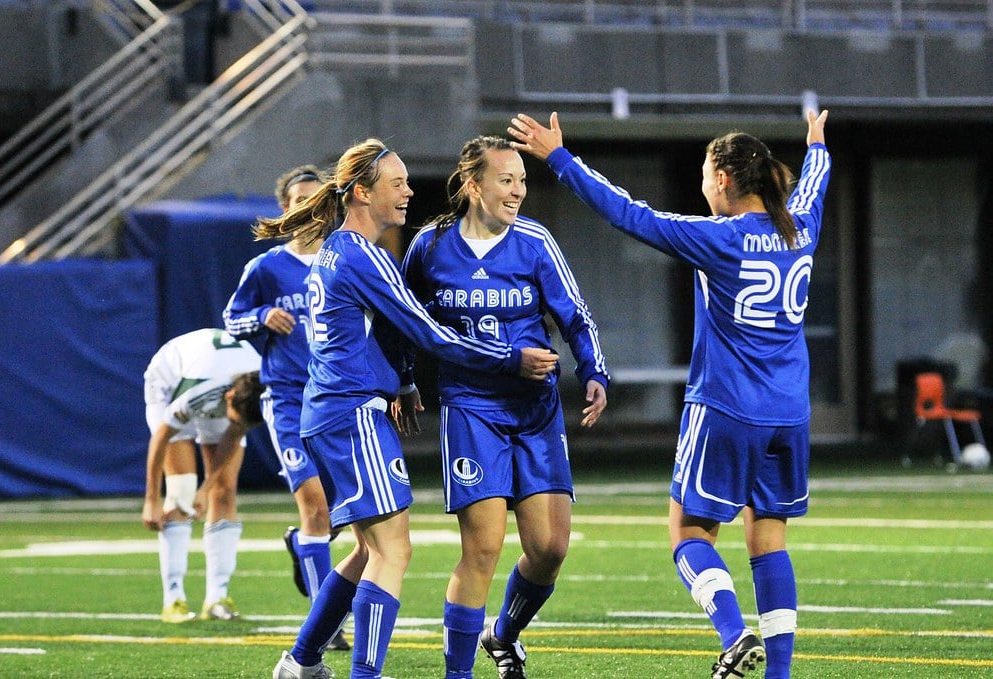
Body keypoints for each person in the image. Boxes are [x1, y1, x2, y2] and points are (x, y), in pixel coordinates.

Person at [507, 110, 831, 679]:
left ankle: (733, 636)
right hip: (791, 412)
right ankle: (778, 675)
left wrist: (559, 158)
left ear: (725, 180)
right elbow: (814, 182)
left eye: (706, 173)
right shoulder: (799, 226)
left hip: (728, 406)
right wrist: (817, 144)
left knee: (688, 533)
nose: (703, 184)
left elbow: (629, 215)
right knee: (769, 541)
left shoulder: (719, 238)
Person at [264, 138, 559, 679]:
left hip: (332, 410)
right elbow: (430, 335)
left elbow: (386, 333)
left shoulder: (337, 248)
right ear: (361, 192)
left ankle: (301, 661)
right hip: (350, 413)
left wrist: (400, 384)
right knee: (393, 552)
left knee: (364, 549)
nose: (409, 192)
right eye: (396, 184)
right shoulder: (362, 255)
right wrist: (509, 359)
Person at [400, 135, 609, 679]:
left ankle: (504, 634)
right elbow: (402, 320)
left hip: (536, 412)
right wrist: (403, 382)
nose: (517, 192)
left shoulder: (536, 241)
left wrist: (593, 372)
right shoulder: (429, 245)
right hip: (471, 409)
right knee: (484, 548)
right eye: (506, 180)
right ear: (473, 185)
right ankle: (458, 675)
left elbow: (575, 315)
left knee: (549, 549)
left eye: (521, 180)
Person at [223, 164, 350, 651]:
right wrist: (260, 315)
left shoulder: (345, 260)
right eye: (299, 198)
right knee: (316, 507)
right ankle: (328, 624)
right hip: (288, 398)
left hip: (339, 401)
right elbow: (232, 318)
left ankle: (303, 545)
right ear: (286, 208)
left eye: (316, 198)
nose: (308, 206)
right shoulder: (267, 268)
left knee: (342, 510)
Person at [141, 327, 265, 623]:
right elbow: (160, 438)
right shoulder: (200, 392)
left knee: (224, 492)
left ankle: (217, 597)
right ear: (231, 397)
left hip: (217, 377)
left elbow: (234, 432)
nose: (233, 425)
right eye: (233, 418)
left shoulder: (264, 387)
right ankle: (173, 599)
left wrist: (207, 488)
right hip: (171, 381)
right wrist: (151, 500)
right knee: (181, 491)